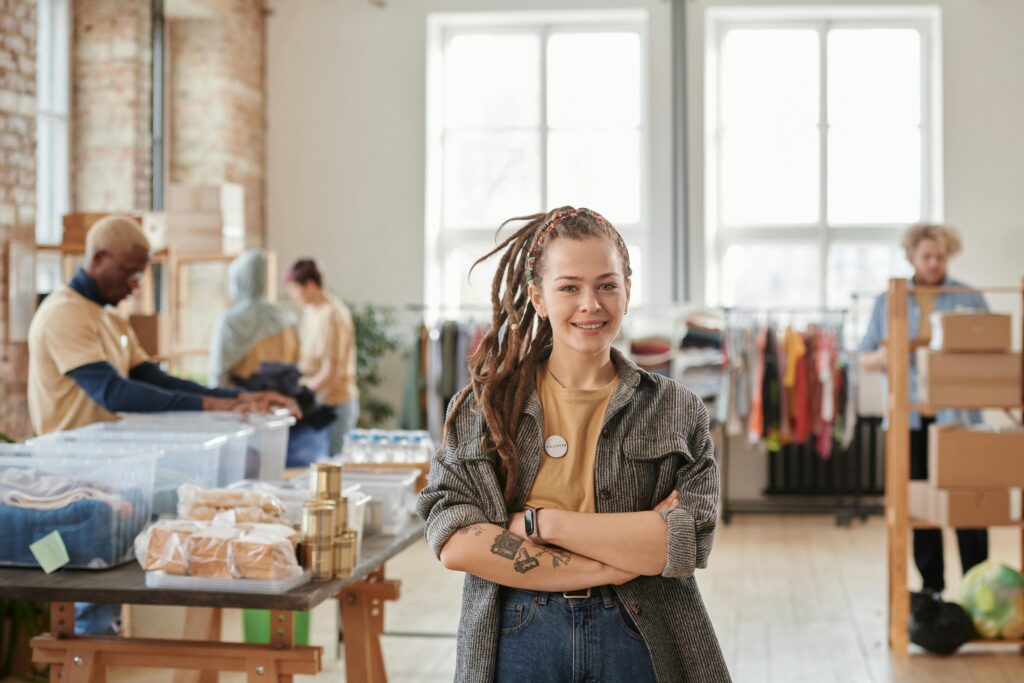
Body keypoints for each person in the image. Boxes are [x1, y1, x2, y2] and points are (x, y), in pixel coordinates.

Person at [417, 207, 730, 682]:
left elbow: (681, 543)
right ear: (538, 297)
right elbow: (456, 541)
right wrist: (608, 566)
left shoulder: (677, 410)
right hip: (518, 632)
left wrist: (539, 522)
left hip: (639, 634)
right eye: (569, 287)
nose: (591, 304)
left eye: (607, 285)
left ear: (629, 290)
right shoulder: (484, 408)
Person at [26, 214, 297, 635]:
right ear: (98, 258)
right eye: (130, 272)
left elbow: (154, 378)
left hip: (106, 465)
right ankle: (88, 654)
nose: (136, 283)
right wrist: (212, 404)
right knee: (88, 583)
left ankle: (106, 646)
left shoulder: (110, 318)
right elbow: (114, 392)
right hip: (68, 473)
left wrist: (236, 399)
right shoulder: (64, 314)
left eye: (141, 273)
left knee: (111, 576)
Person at [859, 223, 989, 593]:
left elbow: (989, 355)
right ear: (912, 257)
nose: (934, 263)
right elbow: (864, 359)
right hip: (909, 420)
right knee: (920, 509)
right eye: (927, 256)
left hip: (959, 419)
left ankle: (977, 587)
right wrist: (887, 355)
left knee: (969, 504)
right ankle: (932, 591)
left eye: (940, 256)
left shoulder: (970, 298)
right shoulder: (889, 301)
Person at [283, 258, 359, 456]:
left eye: (294, 288)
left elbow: (331, 373)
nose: (292, 295)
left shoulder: (334, 315)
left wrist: (299, 393)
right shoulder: (310, 311)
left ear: (310, 285)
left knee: (330, 468)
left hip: (335, 405)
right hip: (318, 401)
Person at [209, 249, 300, 387]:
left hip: (240, 403)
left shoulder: (229, 322)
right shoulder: (287, 318)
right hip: (281, 399)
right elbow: (296, 363)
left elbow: (218, 374)